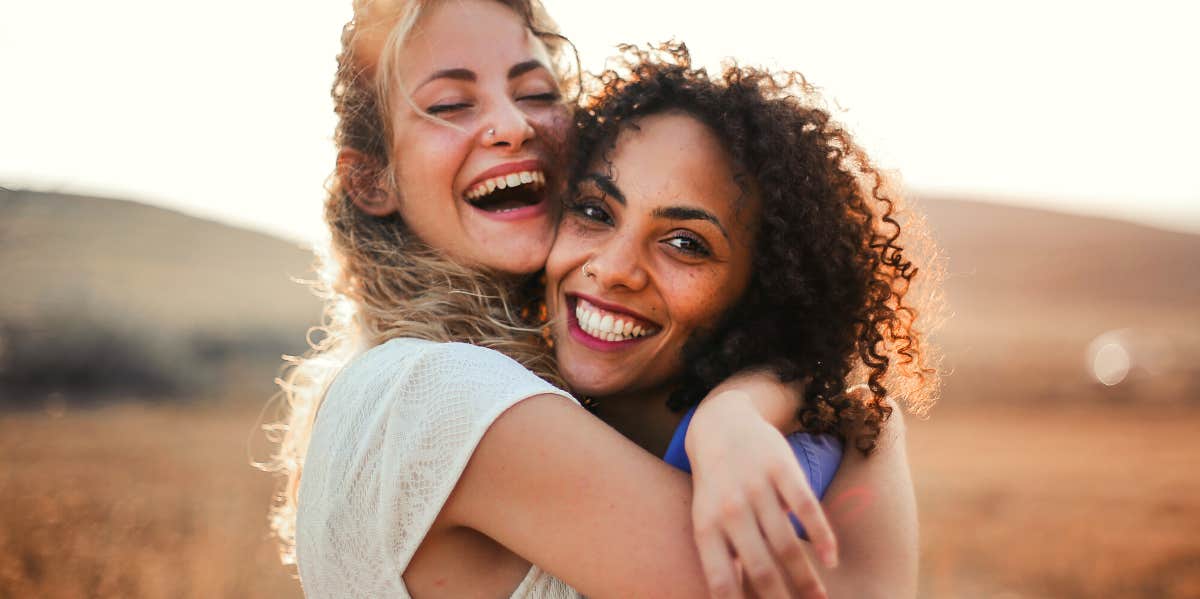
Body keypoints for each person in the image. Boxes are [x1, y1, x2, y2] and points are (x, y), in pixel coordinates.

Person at [265, 1, 936, 597]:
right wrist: (869, 414)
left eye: (533, 92)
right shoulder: (440, 391)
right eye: (448, 105)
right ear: (371, 181)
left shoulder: (482, 387)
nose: (510, 126)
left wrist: (743, 404)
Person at [542, 42, 938, 596]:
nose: (612, 270)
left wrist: (732, 416)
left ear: (763, 291)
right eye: (593, 211)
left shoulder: (816, 462)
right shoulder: (490, 398)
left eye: (685, 242)